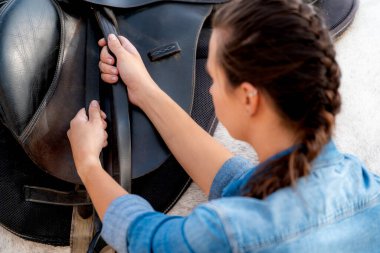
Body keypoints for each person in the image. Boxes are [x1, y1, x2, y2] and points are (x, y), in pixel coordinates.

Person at [67, 0, 380, 252]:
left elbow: (145, 238)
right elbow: (238, 182)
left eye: (214, 78)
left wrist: (88, 163)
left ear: (248, 97)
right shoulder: (366, 185)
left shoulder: (229, 233)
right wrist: (144, 91)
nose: (211, 90)